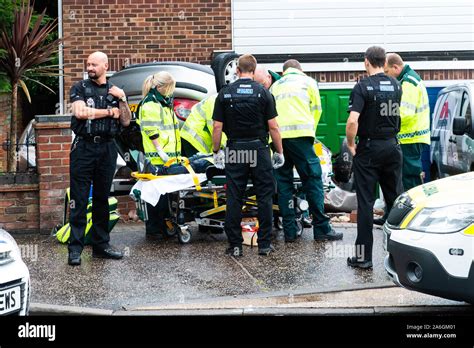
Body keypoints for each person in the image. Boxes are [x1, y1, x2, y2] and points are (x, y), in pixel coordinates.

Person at [212, 54, 285, 257]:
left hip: (236, 150)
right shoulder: (264, 93)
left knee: (235, 196)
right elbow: (274, 127)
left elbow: (217, 126)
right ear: (253, 70)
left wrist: (216, 151)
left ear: (237, 70)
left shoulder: (225, 94)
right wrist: (279, 151)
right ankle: (264, 245)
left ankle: (235, 246)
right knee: (264, 196)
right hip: (259, 150)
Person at [68, 51, 131, 266]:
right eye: (88, 64)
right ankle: (75, 249)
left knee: (102, 199)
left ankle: (101, 246)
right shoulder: (79, 88)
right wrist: (108, 112)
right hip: (84, 148)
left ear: (105, 66)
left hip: (107, 148)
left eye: (94, 64)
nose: (90, 67)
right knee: (79, 198)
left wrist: (122, 99)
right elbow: (80, 113)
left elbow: (125, 121)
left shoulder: (115, 90)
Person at [270, 59, 342, 243]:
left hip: (279, 141)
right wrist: (311, 134)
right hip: (301, 137)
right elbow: (316, 111)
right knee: (313, 179)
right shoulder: (309, 82)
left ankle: (290, 231)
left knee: (284, 184)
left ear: (284, 71)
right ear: (299, 69)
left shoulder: (275, 86)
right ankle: (322, 229)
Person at [346, 46, 403, 269]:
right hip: (392, 147)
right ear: (384, 62)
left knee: (366, 203)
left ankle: (364, 258)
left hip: (369, 150)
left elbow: (352, 121)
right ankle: (400, 257)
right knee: (396, 202)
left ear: (366, 62)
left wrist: (351, 144)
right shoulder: (396, 85)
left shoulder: (363, 87)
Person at [385, 54, 430, 187]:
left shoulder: (409, 82)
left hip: (410, 137)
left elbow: (405, 113)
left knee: (409, 176)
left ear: (396, 67)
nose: (386, 75)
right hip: (411, 137)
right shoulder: (408, 79)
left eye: (387, 71)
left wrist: (386, 125)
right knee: (407, 175)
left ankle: (411, 207)